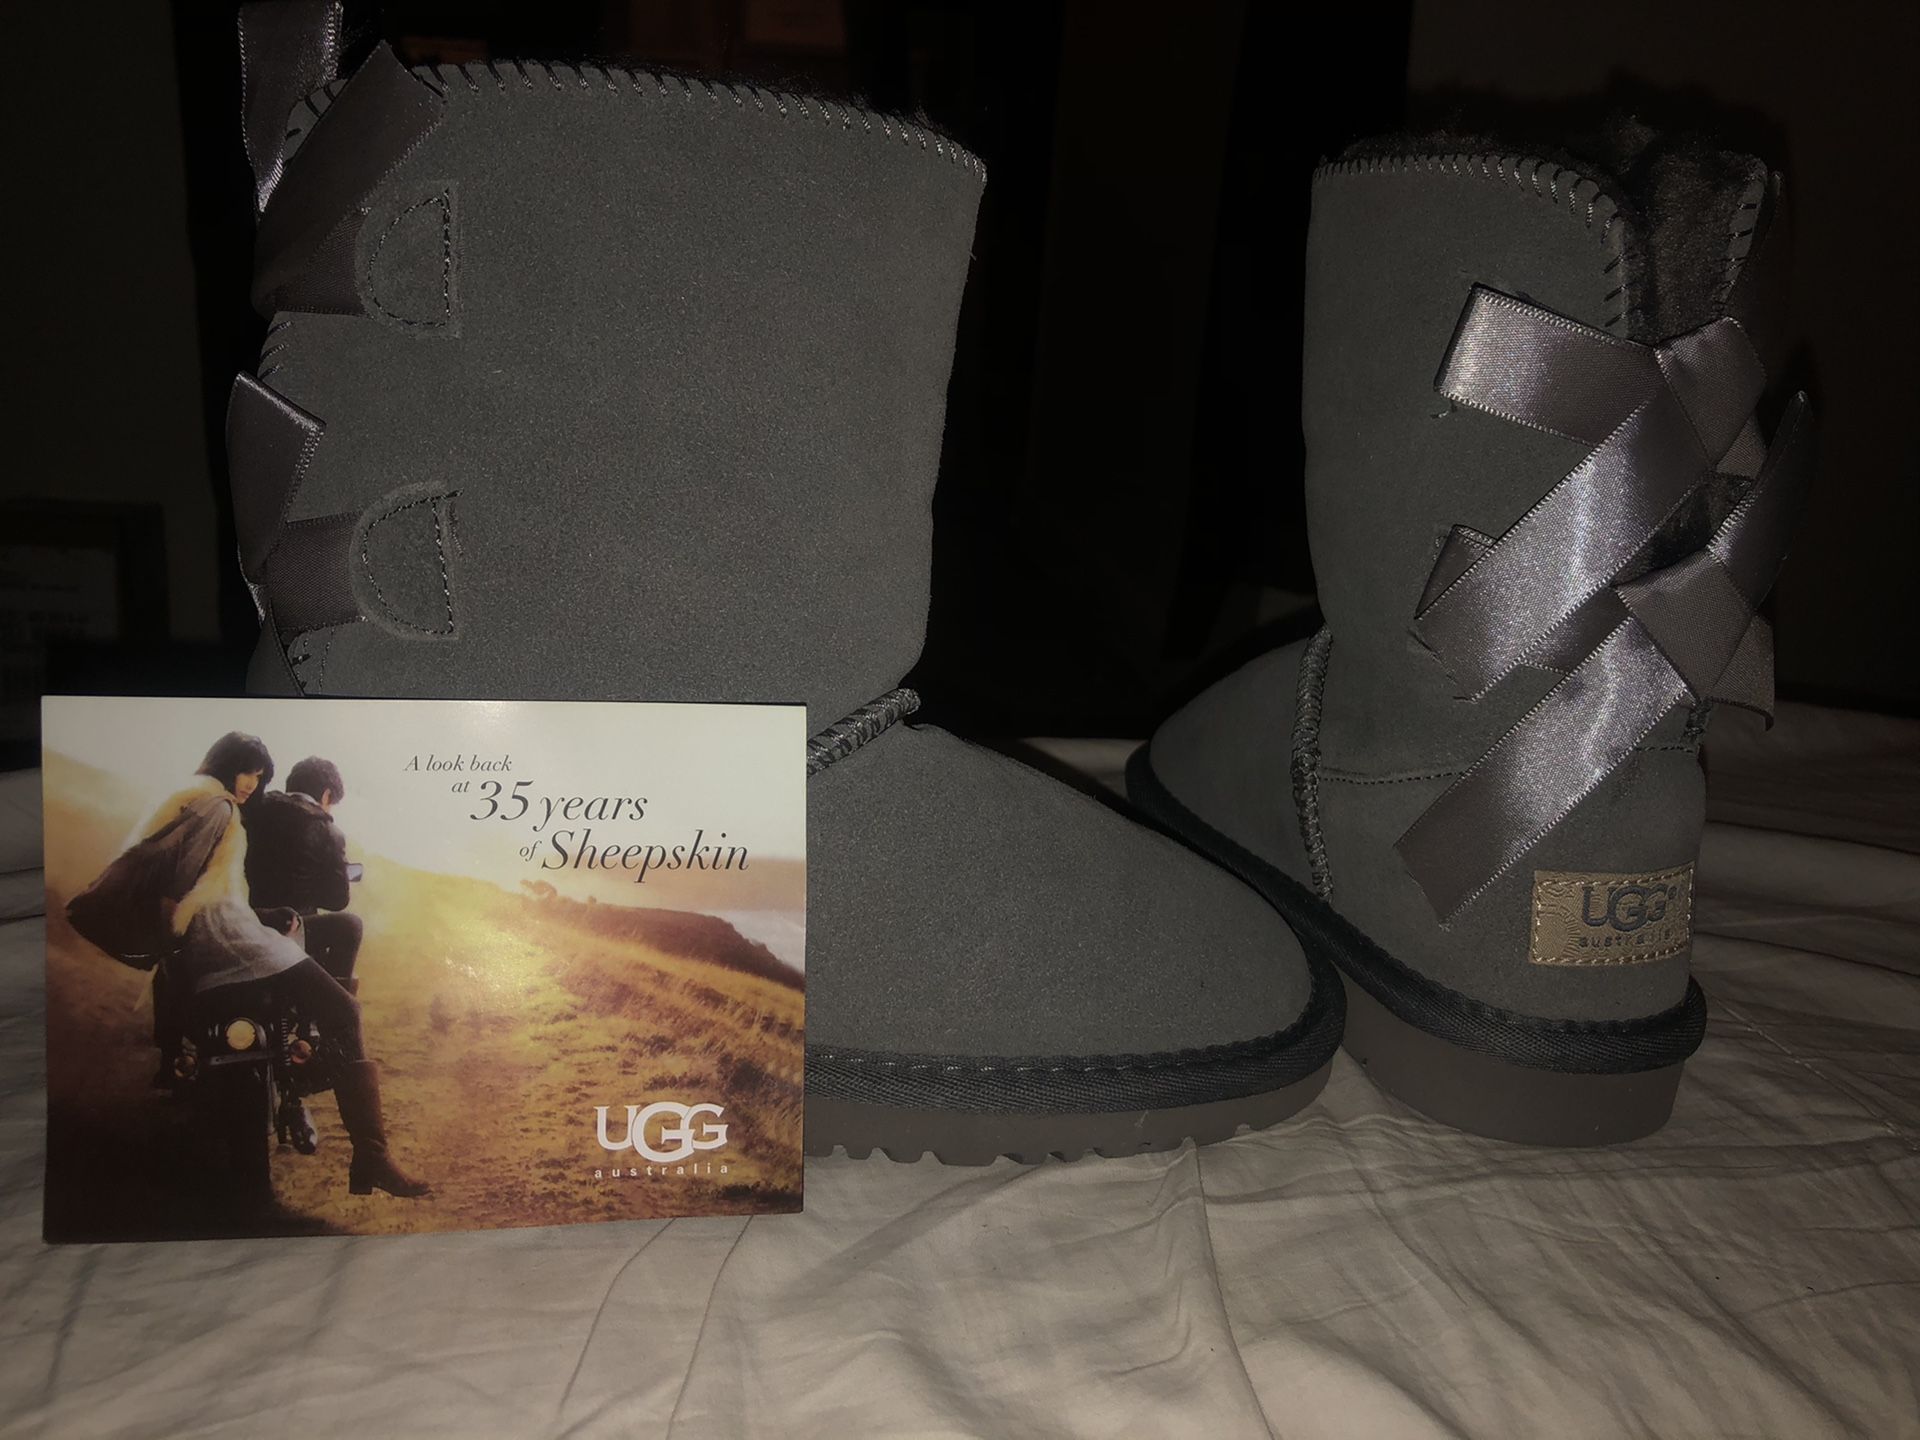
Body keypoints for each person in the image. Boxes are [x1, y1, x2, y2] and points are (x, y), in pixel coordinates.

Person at [134, 732, 428, 1199]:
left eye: (258, 775)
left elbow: (210, 886)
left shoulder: (235, 810)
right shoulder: (222, 811)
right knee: (345, 1004)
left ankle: (173, 1058)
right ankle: (368, 1151)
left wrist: (257, 912)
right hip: (239, 939)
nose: (251, 783)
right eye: (246, 772)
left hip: (231, 933)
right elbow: (190, 887)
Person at [244, 756, 362, 989]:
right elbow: (338, 901)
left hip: (247, 920)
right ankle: (327, 1004)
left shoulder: (255, 809)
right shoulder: (329, 831)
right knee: (351, 926)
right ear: (326, 795)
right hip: (290, 929)